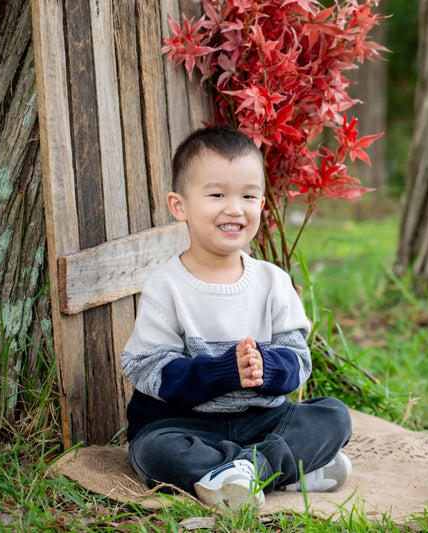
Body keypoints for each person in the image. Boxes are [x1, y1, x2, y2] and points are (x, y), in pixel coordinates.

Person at [121, 125, 352, 510]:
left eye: (248, 195)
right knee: (153, 452)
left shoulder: (272, 282)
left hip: (261, 421)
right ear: (179, 206)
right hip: (182, 425)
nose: (234, 207)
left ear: (261, 203)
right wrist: (223, 372)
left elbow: (298, 360)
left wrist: (267, 367)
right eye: (217, 194)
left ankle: (243, 473)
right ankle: (281, 471)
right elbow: (148, 369)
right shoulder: (166, 286)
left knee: (334, 417)